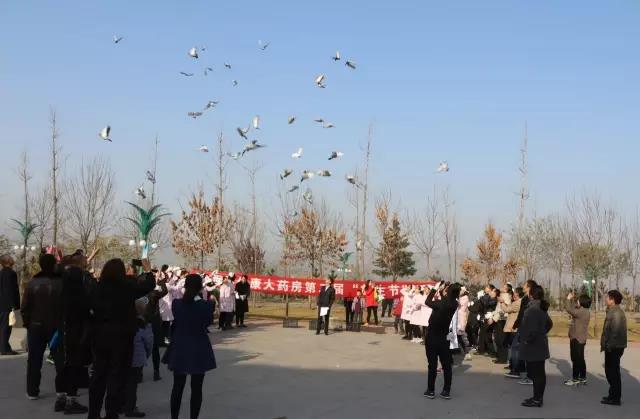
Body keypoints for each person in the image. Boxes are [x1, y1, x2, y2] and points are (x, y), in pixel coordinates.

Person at [87, 258, 155, 419]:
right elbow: (147, 286)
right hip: (123, 336)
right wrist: (148, 270)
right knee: (117, 375)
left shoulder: (97, 287)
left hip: (101, 335)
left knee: (99, 375)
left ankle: (93, 413)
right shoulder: (127, 286)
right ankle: (112, 412)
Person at [163, 274, 216, 419]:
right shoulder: (206, 306)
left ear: (185, 286)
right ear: (200, 288)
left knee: (177, 387)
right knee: (197, 389)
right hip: (199, 348)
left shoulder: (177, 304)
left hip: (180, 348)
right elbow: (207, 322)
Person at [21, 253, 63, 400]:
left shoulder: (32, 283)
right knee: (60, 359)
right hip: (56, 327)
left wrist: (27, 324)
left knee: (34, 360)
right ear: (54, 265)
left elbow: (25, 307)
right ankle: (61, 390)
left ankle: (32, 391)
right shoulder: (61, 283)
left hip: (35, 326)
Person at [54, 252, 92, 414]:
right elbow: (84, 304)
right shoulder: (78, 279)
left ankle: (60, 399)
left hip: (61, 326)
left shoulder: (60, 278)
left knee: (62, 364)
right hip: (75, 328)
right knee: (74, 364)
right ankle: (71, 400)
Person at [423, 281, 461, 400]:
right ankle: (446, 391)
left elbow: (427, 302)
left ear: (447, 292)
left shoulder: (440, 303)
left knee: (432, 365)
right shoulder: (454, 304)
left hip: (432, 337)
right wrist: (443, 290)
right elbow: (447, 298)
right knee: (446, 366)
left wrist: (435, 288)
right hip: (444, 339)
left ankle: (431, 390)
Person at [519, 285, 553, 408]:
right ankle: (537, 397)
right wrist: (542, 333)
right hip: (539, 345)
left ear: (531, 295)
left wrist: (527, 340)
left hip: (534, 346)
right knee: (538, 373)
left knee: (536, 374)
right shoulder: (540, 307)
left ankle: (537, 399)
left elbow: (532, 330)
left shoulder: (533, 309)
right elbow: (549, 324)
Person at [123, 297, 153, 418]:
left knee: (122, 381)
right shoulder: (143, 324)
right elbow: (149, 342)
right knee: (132, 384)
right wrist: (146, 354)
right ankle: (130, 407)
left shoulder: (124, 321)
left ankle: (121, 404)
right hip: (137, 357)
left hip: (122, 356)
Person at [600, 289, 627, 406]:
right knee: (611, 371)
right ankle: (612, 395)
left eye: (607, 297)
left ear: (613, 300)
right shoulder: (612, 310)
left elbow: (615, 331)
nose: (606, 299)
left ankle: (615, 398)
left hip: (614, 346)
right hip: (612, 345)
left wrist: (609, 345)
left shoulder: (616, 313)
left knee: (613, 373)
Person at [564, 292, 591, 386]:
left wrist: (568, 299)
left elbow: (569, 309)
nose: (577, 301)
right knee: (580, 359)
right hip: (578, 337)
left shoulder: (582, 312)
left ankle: (575, 378)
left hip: (577, 338)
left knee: (576, 359)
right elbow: (573, 308)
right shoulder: (583, 310)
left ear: (582, 302)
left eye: (579, 300)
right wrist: (572, 300)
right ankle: (582, 377)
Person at [146, 271, 168, 381]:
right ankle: (156, 371)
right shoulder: (153, 293)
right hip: (153, 323)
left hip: (142, 322)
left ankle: (138, 373)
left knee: (140, 348)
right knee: (155, 349)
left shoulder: (140, 293)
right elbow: (165, 291)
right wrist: (161, 281)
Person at [0, 254, 20, 355]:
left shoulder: (1, 273)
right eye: (11, 258)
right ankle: (4, 349)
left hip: (2, 304)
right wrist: (12, 304)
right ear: (7, 261)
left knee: (3, 327)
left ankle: (4, 347)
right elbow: (10, 290)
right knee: (6, 327)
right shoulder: (10, 273)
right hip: (7, 305)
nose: (13, 259)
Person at [503, 287, 523, 378]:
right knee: (513, 348)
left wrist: (502, 303)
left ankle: (515, 369)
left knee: (514, 349)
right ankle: (513, 366)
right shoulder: (517, 302)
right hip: (513, 328)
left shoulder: (517, 303)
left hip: (513, 328)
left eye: (514, 293)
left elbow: (507, 310)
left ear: (518, 294)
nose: (513, 295)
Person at [457, 287, 471, 360]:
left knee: (462, 335)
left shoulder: (465, 298)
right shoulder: (460, 297)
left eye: (460, 290)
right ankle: (459, 350)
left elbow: (459, 304)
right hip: (458, 317)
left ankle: (467, 352)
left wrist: (456, 299)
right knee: (458, 335)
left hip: (462, 318)